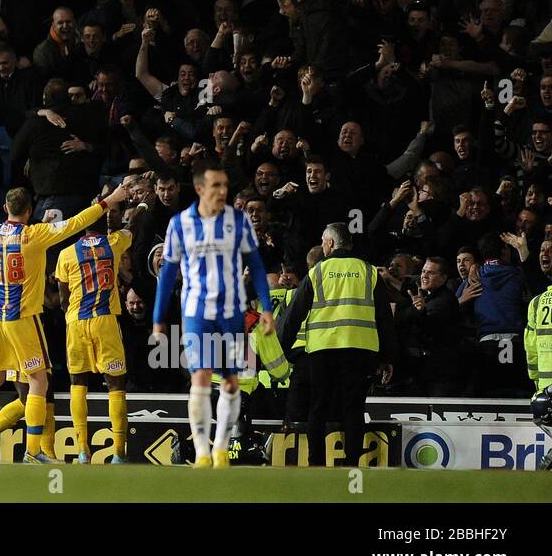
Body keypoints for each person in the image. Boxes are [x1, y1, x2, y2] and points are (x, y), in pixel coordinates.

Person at [0, 176, 131, 463]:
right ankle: (33, 450)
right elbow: (76, 222)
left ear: (5, 208)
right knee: (39, 381)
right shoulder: (36, 235)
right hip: (24, 318)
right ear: (29, 211)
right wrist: (108, 201)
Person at [152, 162, 276, 469]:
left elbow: (257, 266)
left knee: (231, 384)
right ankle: (202, 450)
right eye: (215, 186)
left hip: (232, 312)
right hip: (195, 311)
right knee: (201, 378)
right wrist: (158, 318)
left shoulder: (239, 222)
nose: (222, 191)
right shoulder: (180, 224)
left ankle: (221, 446)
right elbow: (167, 273)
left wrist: (267, 309)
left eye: (224, 185)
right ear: (199, 189)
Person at [279, 223, 396, 468]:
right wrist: (387, 357)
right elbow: (384, 317)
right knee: (353, 408)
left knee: (318, 406)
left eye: (323, 241)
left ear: (331, 243)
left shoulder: (318, 271)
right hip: (360, 349)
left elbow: (294, 315)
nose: (322, 245)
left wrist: (281, 348)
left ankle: (316, 464)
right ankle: (352, 464)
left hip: (324, 349)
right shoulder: (369, 271)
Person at [52, 207, 132, 464]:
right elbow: (136, 228)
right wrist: (140, 207)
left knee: (78, 383)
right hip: (105, 321)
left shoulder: (66, 254)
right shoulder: (114, 242)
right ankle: (119, 453)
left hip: (76, 322)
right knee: (116, 385)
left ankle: (83, 451)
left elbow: (62, 298)